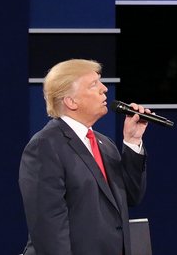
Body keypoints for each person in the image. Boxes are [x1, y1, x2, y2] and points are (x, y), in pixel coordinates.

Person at [19, 59, 152, 255]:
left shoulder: (104, 144)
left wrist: (132, 141)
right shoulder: (45, 146)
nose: (104, 89)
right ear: (71, 101)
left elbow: (131, 197)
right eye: (94, 84)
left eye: (101, 82)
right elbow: (48, 229)